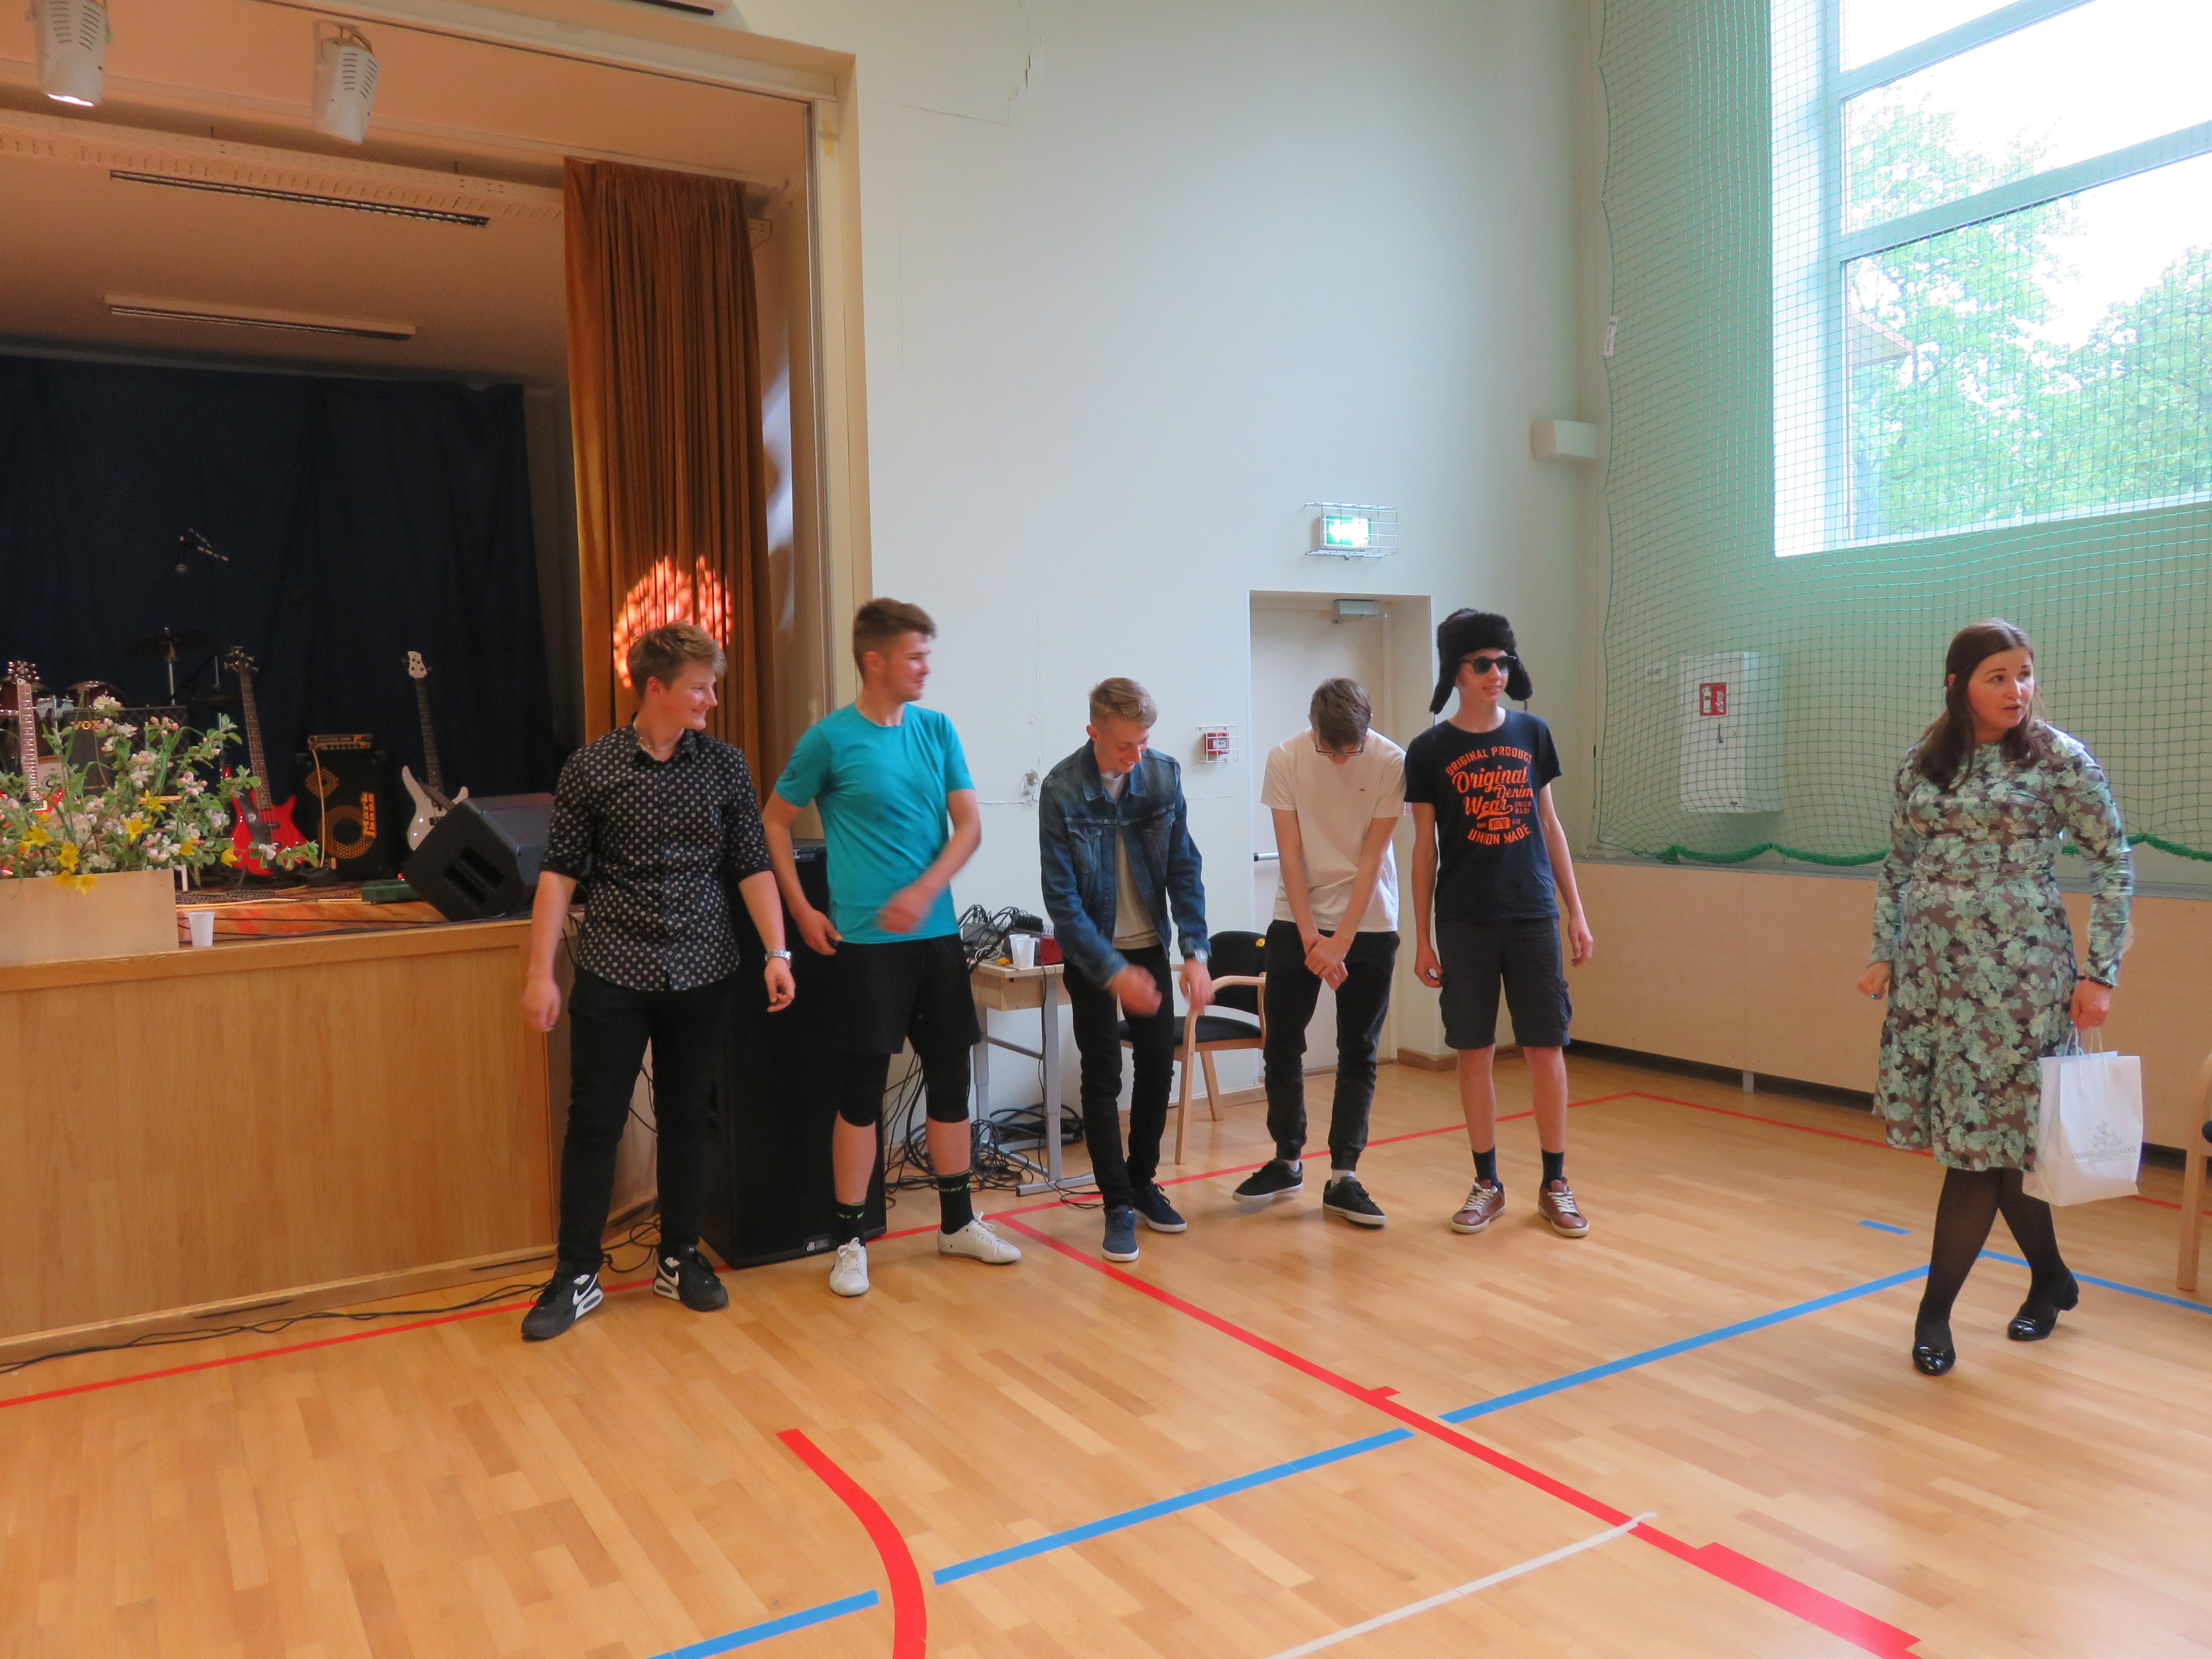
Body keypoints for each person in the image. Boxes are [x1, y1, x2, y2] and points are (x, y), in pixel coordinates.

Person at [1859, 619, 2131, 1377]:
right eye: (1998, 677)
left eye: (2024, 674)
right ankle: (2052, 1279)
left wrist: (2100, 973)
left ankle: (1934, 1312)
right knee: (1997, 1144)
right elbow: (1897, 864)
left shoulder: (2058, 758)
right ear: (1957, 686)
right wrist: (1883, 950)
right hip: (1934, 981)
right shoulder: (1922, 764)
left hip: (2021, 984)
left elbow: (2112, 863)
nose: (2018, 690)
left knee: (1979, 1152)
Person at [518, 623, 796, 1342]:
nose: (711, 700)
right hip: (614, 965)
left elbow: (751, 864)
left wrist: (778, 952)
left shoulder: (725, 765)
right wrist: (540, 973)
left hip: (704, 967)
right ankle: (576, 1273)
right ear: (655, 687)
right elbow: (558, 876)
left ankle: (678, 1256)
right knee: (595, 1122)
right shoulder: (592, 767)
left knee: (686, 1115)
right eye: (699, 687)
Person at [763, 599, 1021, 1298]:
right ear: (874, 661)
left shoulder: (937, 730)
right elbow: (774, 821)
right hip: (864, 947)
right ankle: (848, 1239)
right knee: (860, 1094)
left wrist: (924, 891)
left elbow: (968, 827)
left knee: (950, 1082)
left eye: (926, 655)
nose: (925, 668)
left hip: (936, 939)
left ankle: (957, 1223)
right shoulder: (828, 740)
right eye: (914, 656)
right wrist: (800, 910)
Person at [1405, 609, 1595, 1239]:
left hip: (1532, 912)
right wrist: (1423, 937)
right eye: (1482, 663)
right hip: (1465, 918)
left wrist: (1576, 911)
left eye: (1503, 662)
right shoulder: (1430, 750)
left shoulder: (1533, 733)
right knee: (1475, 1050)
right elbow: (1424, 849)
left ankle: (1555, 1184)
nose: (1496, 673)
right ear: (1457, 672)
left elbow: (1550, 825)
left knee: (1545, 1047)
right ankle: (1486, 1183)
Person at [1037, 678, 1213, 1263]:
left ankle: (1142, 1183)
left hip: (1148, 946)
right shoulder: (1062, 790)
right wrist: (1113, 972)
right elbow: (1062, 902)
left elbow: (1185, 868)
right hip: (1092, 953)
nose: (1136, 757)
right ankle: (1115, 1202)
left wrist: (1196, 953)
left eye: (1143, 743)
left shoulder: (1162, 776)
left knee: (1158, 1065)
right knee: (1102, 1074)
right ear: (1093, 733)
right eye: (1123, 747)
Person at [1234, 678, 1404, 1225]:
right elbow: (1290, 853)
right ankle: (1287, 1160)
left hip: (1369, 923)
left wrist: (1341, 941)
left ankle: (1344, 1176)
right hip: (1296, 919)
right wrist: (1312, 938)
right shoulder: (1286, 758)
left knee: (1359, 1050)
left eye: (1349, 749)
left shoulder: (1390, 760)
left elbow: (1373, 857)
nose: (1338, 759)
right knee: (1282, 1042)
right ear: (1313, 730)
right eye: (1329, 748)